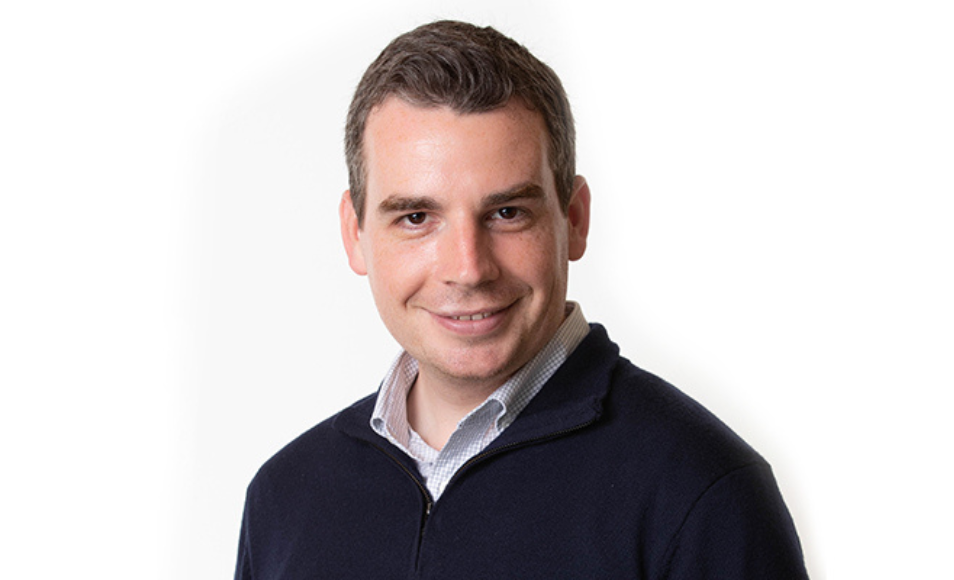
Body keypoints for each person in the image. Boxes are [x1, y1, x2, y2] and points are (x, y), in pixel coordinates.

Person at [234, 20, 808, 579]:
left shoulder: (701, 495)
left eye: (507, 213)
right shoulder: (284, 500)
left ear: (574, 220)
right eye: (416, 217)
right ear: (354, 234)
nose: (468, 268)